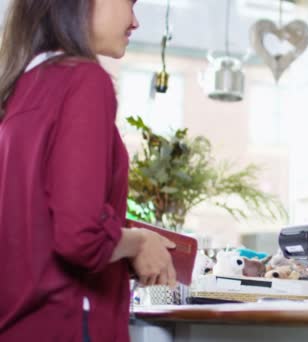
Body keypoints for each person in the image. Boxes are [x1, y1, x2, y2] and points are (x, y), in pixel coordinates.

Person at [0, 1, 177, 341]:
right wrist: (140, 242)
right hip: (68, 323)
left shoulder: (23, 86)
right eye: (130, 3)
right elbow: (79, 237)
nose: (135, 21)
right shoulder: (83, 80)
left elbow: (36, 233)